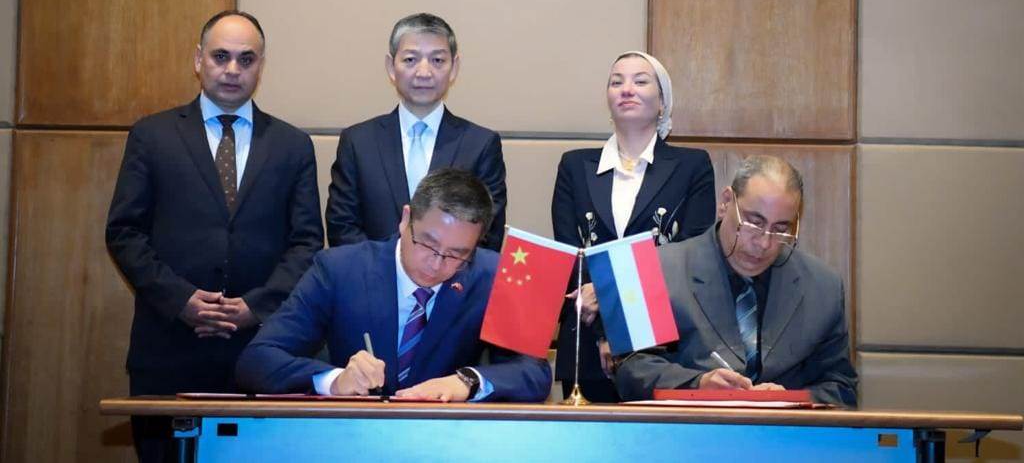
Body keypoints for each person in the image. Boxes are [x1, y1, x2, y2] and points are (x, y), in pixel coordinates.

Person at [106, 10, 324, 460]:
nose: (232, 69)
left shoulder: (293, 145)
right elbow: (125, 232)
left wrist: (255, 307)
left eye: (246, 59)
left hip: (260, 353)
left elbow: (306, 243)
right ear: (198, 60)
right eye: (220, 56)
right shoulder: (152, 135)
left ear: (261, 66)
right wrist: (181, 300)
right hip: (168, 351)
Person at [237, 168, 551, 402]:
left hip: (444, 440)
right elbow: (257, 360)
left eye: (457, 254)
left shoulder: (491, 275)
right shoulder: (339, 269)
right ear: (405, 219)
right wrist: (335, 381)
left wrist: (467, 381)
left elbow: (534, 372)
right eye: (427, 244)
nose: (436, 263)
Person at [615, 155, 858, 407]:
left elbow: (841, 388)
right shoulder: (653, 269)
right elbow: (631, 369)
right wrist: (697, 385)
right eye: (754, 222)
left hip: (783, 431)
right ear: (725, 202)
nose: (764, 243)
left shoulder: (823, 287)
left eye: (780, 229)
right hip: (686, 428)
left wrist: (788, 400)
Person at [551, 51, 716, 402]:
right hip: (587, 339)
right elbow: (569, 253)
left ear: (663, 102)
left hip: (662, 346)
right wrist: (604, 329)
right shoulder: (573, 166)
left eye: (640, 81)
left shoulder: (693, 166)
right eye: (617, 82)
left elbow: (690, 256)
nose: (627, 89)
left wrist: (609, 297)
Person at [325, 13, 507, 251]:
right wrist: (392, 267)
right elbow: (341, 226)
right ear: (391, 67)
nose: (424, 72)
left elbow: (487, 235)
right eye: (410, 60)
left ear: (454, 68)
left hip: (452, 274)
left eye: (437, 60)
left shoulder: (481, 145)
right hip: (372, 273)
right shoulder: (358, 142)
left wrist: (437, 266)